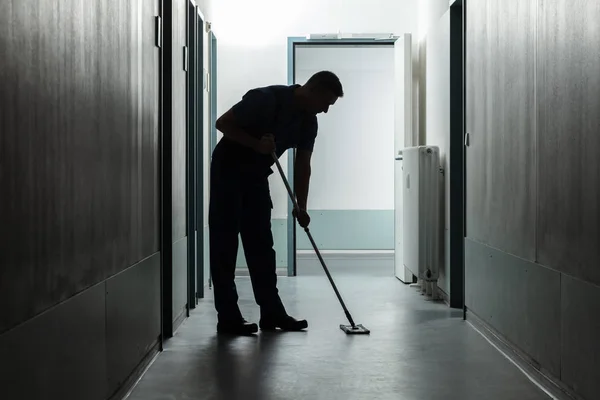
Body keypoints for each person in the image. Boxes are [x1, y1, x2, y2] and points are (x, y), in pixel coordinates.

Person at [210, 71, 344, 335]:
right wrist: (256, 144)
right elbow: (222, 123)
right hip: (228, 171)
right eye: (325, 103)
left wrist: (300, 206)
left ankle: (272, 313)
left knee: (262, 246)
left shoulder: (309, 122)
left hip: (257, 176)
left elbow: (303, 164)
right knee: (225, 244)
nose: (325, 110)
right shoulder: (266, 99)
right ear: (313, 89)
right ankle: (228, 318)